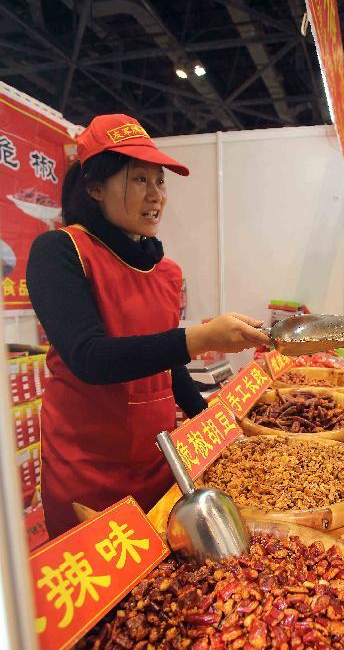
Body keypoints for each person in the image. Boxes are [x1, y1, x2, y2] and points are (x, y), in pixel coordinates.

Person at [27, 114, 269, 539]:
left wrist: (212, 420)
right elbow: (89, 357)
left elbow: (167, 368)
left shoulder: (166, 271)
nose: (155, 194)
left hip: (158, 458)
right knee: (103, 587)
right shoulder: (61, 252)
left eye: (160, 182)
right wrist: (199, 339)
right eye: (139, 180)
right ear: (95, 187)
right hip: (87, 467)